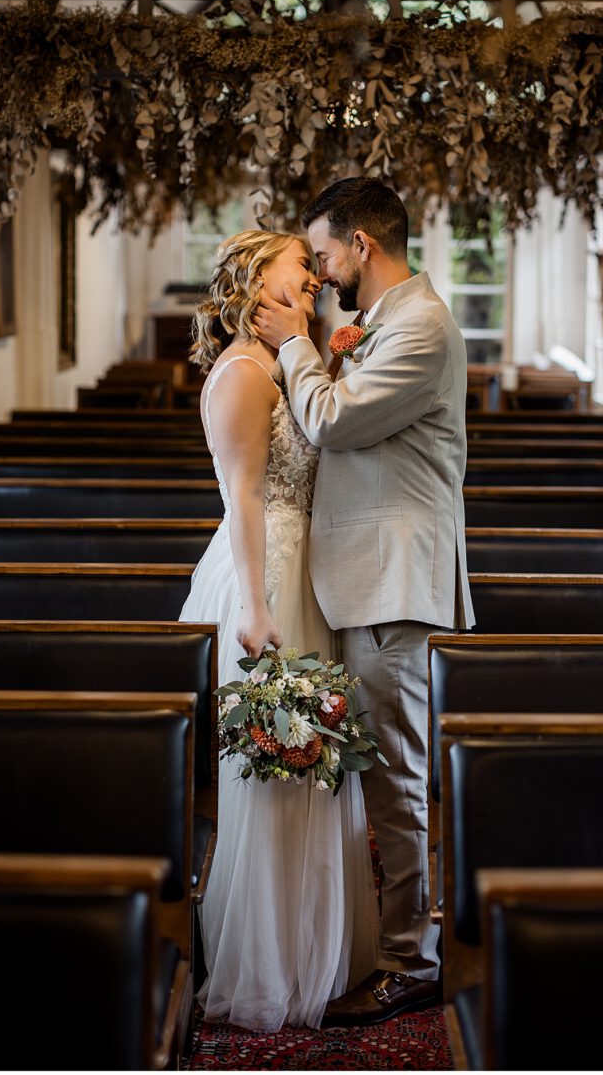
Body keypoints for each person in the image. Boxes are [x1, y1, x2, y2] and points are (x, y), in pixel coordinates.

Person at [253, 177, 475, 1026]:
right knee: (371, 779)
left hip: (391, 582)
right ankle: (379, 942)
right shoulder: (392, 324)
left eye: (325, 253)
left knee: (397, 784)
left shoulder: (421, 328)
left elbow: (335, 424)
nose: (321, 268)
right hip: (363, 579)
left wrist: (298, 345)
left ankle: (413, 962)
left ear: (362, 247)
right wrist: (335, 347)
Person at [178, 229, 379, 1033]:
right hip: (267, 585)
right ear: (264, 276)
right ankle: (269, 964)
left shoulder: (287, 361)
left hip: (305, 580)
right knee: (276, 776)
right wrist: (259, 609)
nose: (318, 272)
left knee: (312, 769)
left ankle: (315, 951)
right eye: (305, 262)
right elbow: (245, 500)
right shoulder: (240, 373)